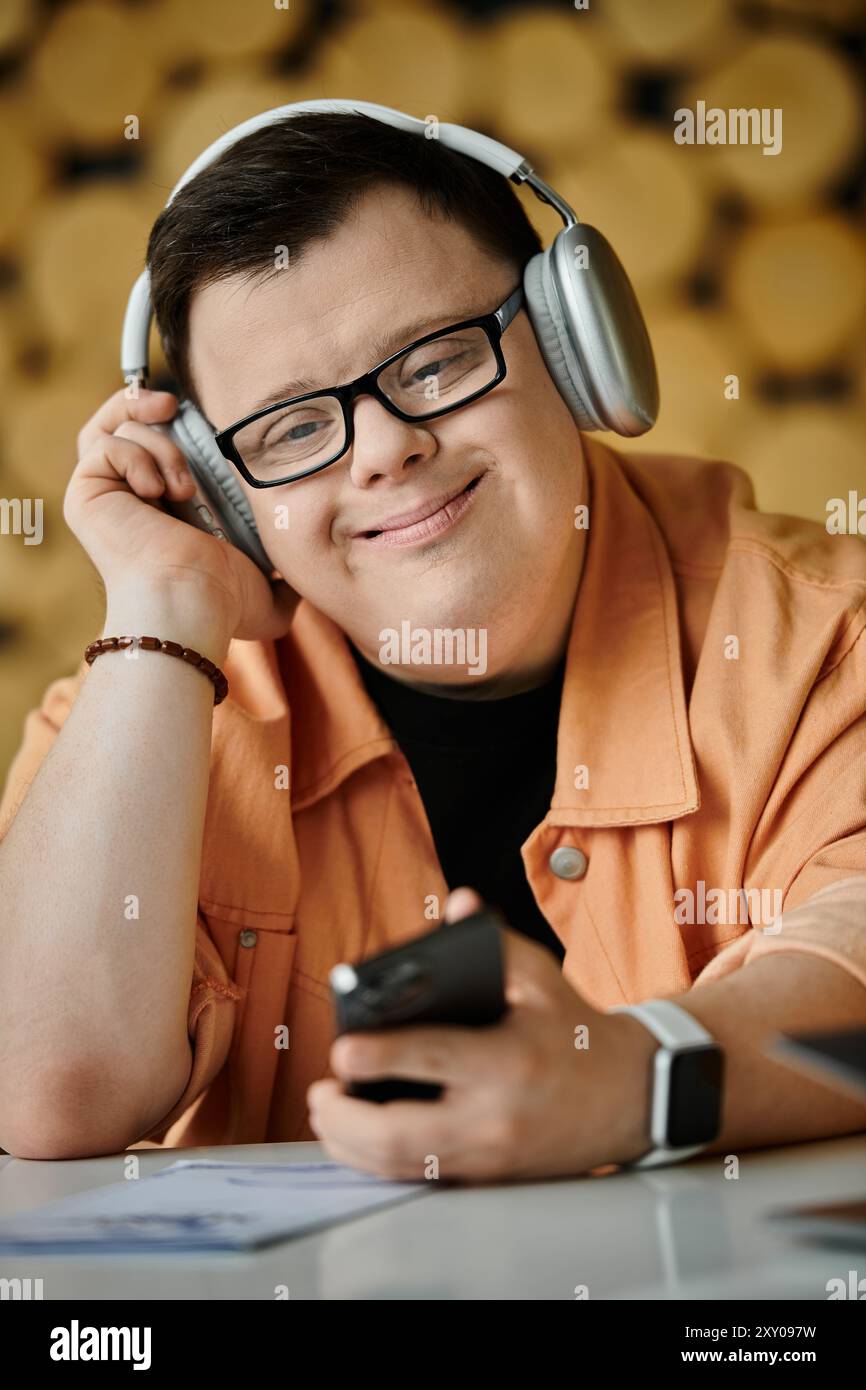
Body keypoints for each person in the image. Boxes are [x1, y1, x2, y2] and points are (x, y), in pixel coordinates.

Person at [1, 111, 865, 1180]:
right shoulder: (144, 707)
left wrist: (632, 1077)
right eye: (291, 430)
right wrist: (163, 600)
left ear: (568, 342)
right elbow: (47, 1096)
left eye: (434, 361)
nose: (382, 450)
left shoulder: (826, 637)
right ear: (225, 498)